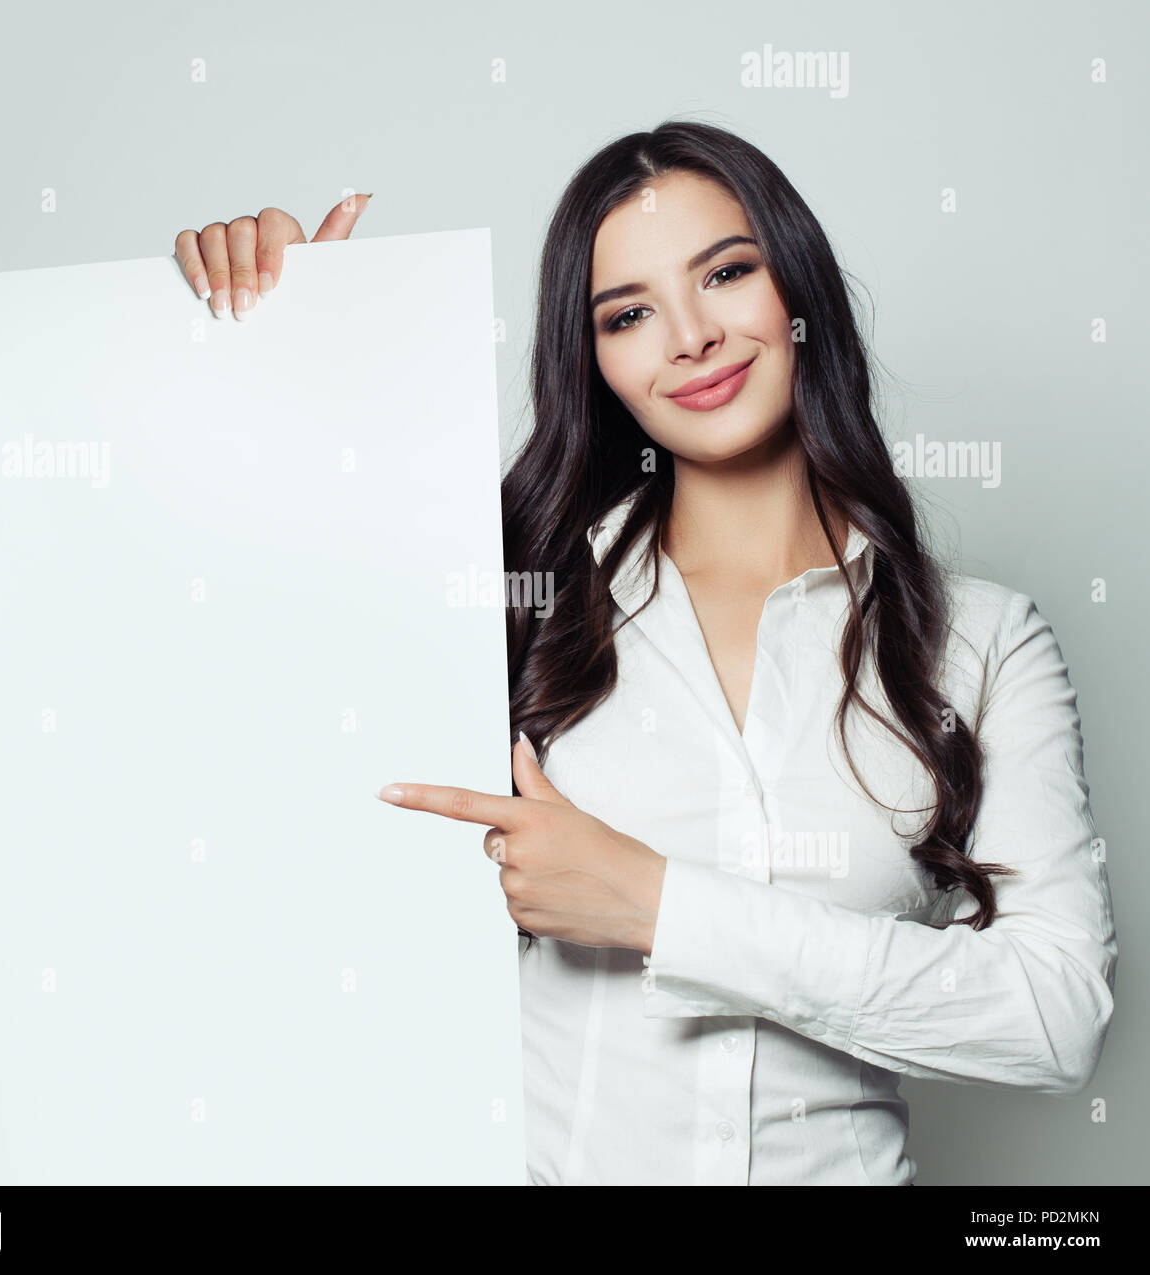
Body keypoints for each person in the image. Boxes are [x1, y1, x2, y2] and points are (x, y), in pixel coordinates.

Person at [172, 119, 1117, 1186]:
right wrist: (281, 359)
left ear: (795, 290)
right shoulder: (511, 601)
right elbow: (257, 743)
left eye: (725, 273)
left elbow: (1052, 1019)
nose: (690, 337)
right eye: (628, 313)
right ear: (597, 364)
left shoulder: (984, 642)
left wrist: (659, 906)